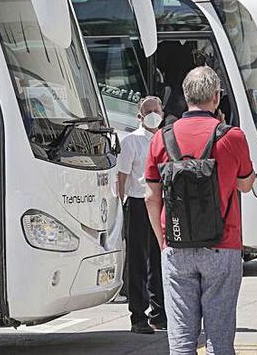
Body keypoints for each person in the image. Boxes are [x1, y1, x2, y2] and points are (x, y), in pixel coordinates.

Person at [144, 66, 255, 355]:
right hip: (223, 244)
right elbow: (245, 185)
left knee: (181, 342)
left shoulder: (162, 137)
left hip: (176, 243)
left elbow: (150, 197)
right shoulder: (232, 136)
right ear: (217, 98)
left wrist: (162, 240)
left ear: (185, 95)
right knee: (219, 341)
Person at [117, 96, 167, 335]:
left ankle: (159, 313)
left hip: (161, 202)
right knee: (138, 261)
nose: (153, 114)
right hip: (138, 203)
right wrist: (122, 202)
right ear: (140, 116)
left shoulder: (165, 139)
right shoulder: (131, 141)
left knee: (160, 259)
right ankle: (138, 316)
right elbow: (122, 176)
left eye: (156, 110)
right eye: (148, 111)